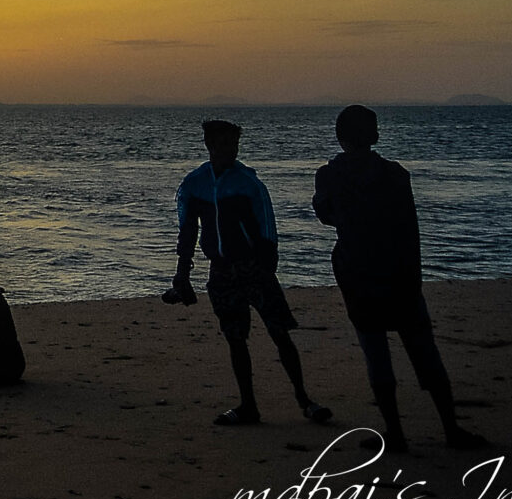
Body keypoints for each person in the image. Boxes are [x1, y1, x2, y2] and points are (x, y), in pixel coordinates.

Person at [312, 105, 486, 449]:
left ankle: (396, 432)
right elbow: (410, 229)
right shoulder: (395, 174)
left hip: (359, 275)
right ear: (374, 136)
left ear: (340, 137)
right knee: (424, 352)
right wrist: (413, 276)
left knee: (376, 353)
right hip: (399, 275)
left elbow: (325, 215)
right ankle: (450, 429)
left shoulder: (330, 175)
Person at [168, 118, 332, 427]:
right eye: (224, 144)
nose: (230, 150)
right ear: (210, 146)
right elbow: (187, 231)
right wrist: (182, 274)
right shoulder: (194, 184)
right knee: (235, 337)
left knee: (279, 333)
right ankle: (248, 405)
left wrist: (267, 269)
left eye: (234, 145)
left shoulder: (249, 183)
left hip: (254, 267)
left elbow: (268, 229)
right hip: (221, 270)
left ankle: (304, 399)